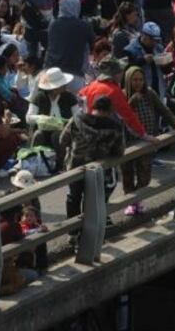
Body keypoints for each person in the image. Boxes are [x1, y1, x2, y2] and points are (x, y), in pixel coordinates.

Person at [59, 95, 124, 242]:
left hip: (75, 168)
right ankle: (90, 234)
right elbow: (119, 151)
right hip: (98, 171)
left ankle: (73, 233)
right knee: (93, 200)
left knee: (73, 197)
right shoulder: (115, 127)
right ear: (109, 110)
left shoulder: (77, 120)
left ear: (92, 107)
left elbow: (62, 140)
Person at [120, 66, 175, 216]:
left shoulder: (149, 93)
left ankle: (138, 199)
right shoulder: (122, 95)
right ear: (128, 80)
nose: (138, 83)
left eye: (140, 79)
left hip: (147, 139)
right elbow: (122, 115)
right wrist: (132, 100)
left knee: (144, 174)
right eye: (134, 80)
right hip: (128, 141)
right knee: (127, 174)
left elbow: (163, 110)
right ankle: (131, 202)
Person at [44, 0, 93, 92]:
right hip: (75, 74)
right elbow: (92, 45)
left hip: (53, 73)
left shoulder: (53, 25)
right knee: (75, 105)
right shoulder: (84, 26)